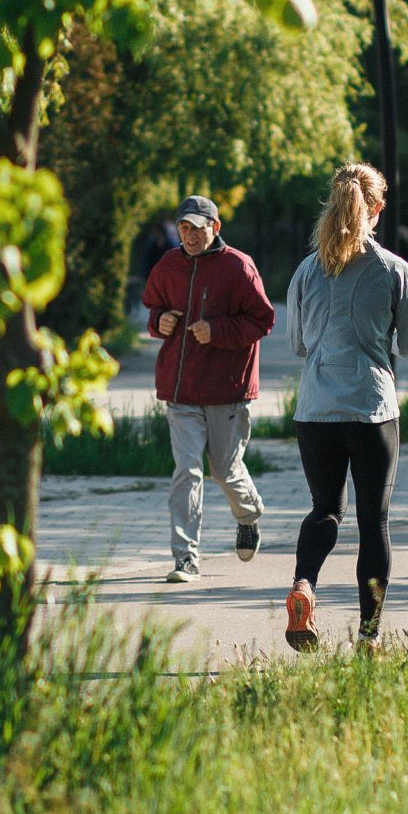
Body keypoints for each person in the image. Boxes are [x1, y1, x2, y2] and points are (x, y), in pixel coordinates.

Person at [282, 163, 408, 652]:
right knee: (374, 522)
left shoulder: (306, 270)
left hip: (315, 412)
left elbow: (298, 343)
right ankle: (369, 637)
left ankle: (304, 584)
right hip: (371, 411)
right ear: (377, 210)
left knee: (325, 509)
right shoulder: (394, 270)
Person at [141, 195, 273, 583]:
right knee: (187, 471)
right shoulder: (168, 265)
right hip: (181, 391)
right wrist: (159, 321)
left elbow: (262, 321)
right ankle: (186, 559)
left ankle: (248, 514)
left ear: (214, 228)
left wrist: (217, 331)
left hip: (227, 389)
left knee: (225, 469)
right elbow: (152, 308)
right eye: (184, 228)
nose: (189, 235)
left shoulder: (238, 267)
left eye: (197, 228)